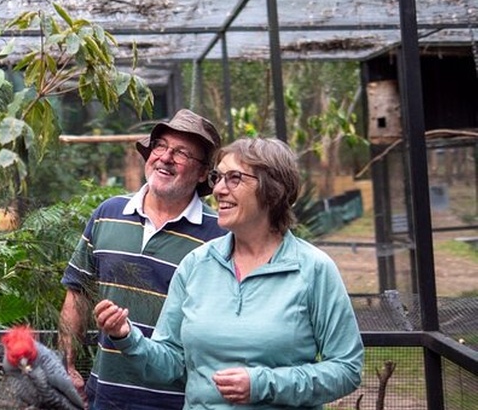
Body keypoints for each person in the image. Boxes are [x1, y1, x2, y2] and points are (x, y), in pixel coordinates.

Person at [94, 137, 364, 410]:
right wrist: (128, 337)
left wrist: (263, 384)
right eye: (218, 177)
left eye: (234, 178)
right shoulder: (196, 264)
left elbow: (347, 369)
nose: (218, 190)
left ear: (273, 190)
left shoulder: (313, 269)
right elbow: (171, 363)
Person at [59, 109, 227, 410]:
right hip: (106, 397)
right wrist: (67, 366)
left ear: (203, 173)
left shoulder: (220, 235)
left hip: (180, 401)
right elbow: (77, 292)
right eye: (160, 146)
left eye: (181, 153)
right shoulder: (108, 214)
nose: (165, 157)